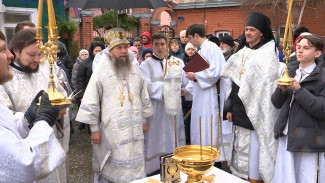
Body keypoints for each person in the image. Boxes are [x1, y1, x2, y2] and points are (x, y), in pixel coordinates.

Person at [75, 27, 153, 183]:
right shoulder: (101, 72)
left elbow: (143, 95)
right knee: (115, 169)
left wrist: (144, 120)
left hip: (135, 130)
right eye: (119, 48)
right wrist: (94, 130)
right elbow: (91, 101)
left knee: (136, 166)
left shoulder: (135, 70)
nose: (123, 51)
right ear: (110, 51)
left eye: (125, 47)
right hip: (113, 130)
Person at [0, 29, 70, 183]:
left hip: (48, 148)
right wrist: (41, 120)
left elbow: (60, 95)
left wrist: (31, 117)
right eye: (32, 55)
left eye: (39, 54)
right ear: (17, 51)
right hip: (29, 157)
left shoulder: (44, 72)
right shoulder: (6, 80)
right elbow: (7, 123)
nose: (37, 59)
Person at [221, 12, 280, 183]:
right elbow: (232, 83)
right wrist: (229, 108)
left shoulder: (268, 53)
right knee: (240, 147)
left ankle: (254, 178)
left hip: (257, 111)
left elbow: (267, 87)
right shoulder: (241, 52)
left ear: (261, 32)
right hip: (239, 109)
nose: (247, 33)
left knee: (254, 151)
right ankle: (239, 177)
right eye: (246, 29)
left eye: (252, 30)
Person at [272, 34, 325, 183]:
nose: (300, 51)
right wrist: (281, 91)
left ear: (317, 53)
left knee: (304, 178)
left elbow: (321, 109)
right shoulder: (291, 71)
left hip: (308, 140)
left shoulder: (322, 77)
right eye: (299, 47)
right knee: (286, 177)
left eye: (306, 48)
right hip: (287, 135)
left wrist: (298, 90)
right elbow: (276, 104)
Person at [140, 33, 188, 174]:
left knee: (172, 137)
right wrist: (168, 87)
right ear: (152, 45)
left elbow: (185, 82)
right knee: (156, 138)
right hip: (156, 110)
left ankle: (173, 167)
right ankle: (154, 169)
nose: (160, 47)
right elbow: (146, 87)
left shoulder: (177, 62)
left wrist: (184, 89)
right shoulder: (145, 65)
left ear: (166, 45)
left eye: (162, 44)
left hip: (174, 111)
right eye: (156, 44)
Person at [184, 24, 230, 167]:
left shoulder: (212, 48)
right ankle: (202, 160)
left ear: (196, 35)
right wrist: (186, 89)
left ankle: (213, 165)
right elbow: (196, 73)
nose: (190, 42)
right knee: (201, 130)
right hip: (201, 99)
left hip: (211, 100)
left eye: (190, 38)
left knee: (210, 131)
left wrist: (195, 76)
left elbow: (216, 72)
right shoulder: (202, 50)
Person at [182, 42, 197, 144]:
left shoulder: (197, 62)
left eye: (192, 49)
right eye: (188, 49)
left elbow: (195, 79)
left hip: (194, 96)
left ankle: (193, 139)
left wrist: (187, 88)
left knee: (194, 120)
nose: (190, 51)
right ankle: (186, 138)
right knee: (186, 121)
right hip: (184, 95)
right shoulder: (181, 62)